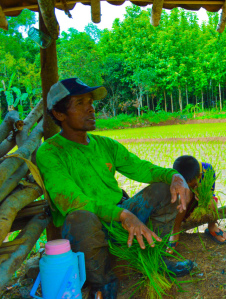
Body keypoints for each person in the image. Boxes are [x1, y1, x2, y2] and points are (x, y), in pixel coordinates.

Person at [36, 78, 194, 299]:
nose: (91, 108)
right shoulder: (50, 152)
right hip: (87, 231)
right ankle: (102, 282)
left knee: (164, 189)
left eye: (90, 102)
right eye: (80, 103)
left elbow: (142, 169)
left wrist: (175, 176)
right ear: (60, 114)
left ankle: (155, 258)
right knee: (80, 217)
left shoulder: (105, 145)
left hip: (120, 217)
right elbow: (71, 201)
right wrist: (122, 214)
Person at [168, 155, 226, 253]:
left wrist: (200, 194)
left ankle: (212, 226)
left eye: (192, 183)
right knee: (183, 198)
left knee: (212, 202)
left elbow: (210, 192)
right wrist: (189, 193)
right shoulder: (173, 175)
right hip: (184, 203)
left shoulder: (207, 170)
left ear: (199, 175)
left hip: (201, 201)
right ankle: (175, 230)